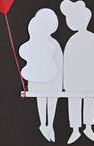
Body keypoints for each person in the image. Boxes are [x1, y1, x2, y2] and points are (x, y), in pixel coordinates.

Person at [60, 0, 94, 144]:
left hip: (89, 80)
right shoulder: (73, 41)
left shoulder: (91, 40)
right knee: (75, 101)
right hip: (75, 81)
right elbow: (67, 64)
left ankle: (87, 126)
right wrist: (66, 84)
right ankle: (75, 129)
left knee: (89, 100)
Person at [19, 8, 63, 142]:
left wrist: (61, 82)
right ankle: (43, 124)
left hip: (54, 81)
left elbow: (60, 63)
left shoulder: (54, 44)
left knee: (52, 100)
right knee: (42, 99)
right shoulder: (36, 43)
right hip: (39, 82)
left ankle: (50, 125)